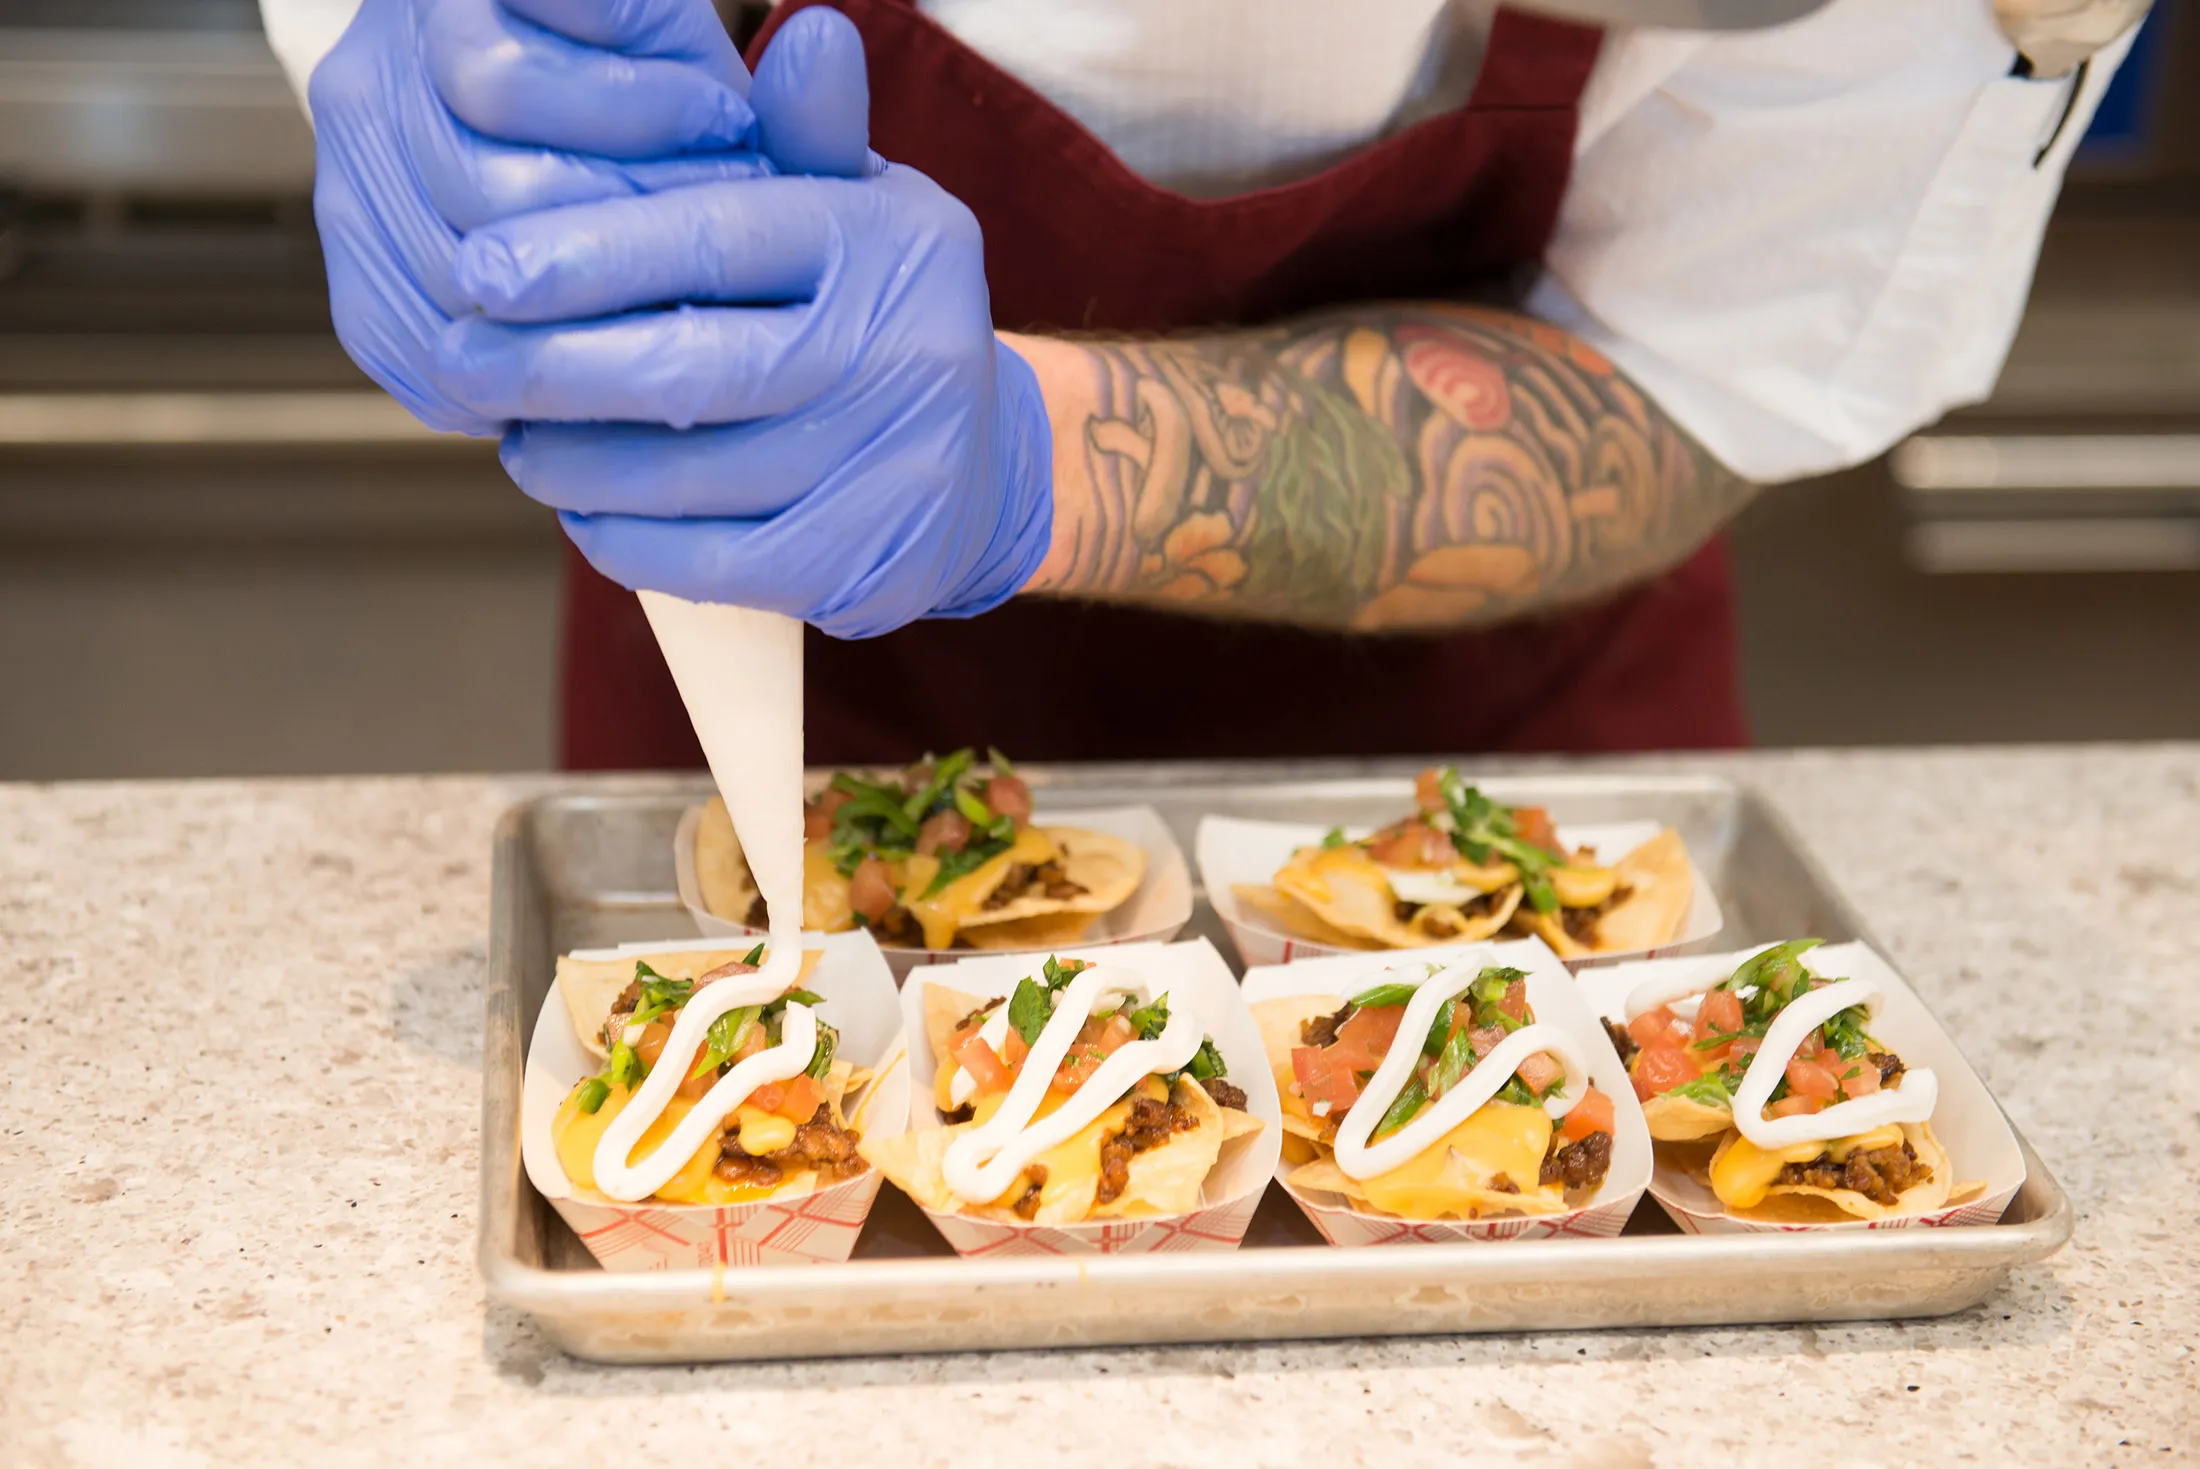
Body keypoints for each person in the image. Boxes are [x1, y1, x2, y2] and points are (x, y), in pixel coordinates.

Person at [261, 0, 2142, 766]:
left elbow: (1684, 368)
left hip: (1504, 780)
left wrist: (1042, 464)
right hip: (775, 724)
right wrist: (485, 157)